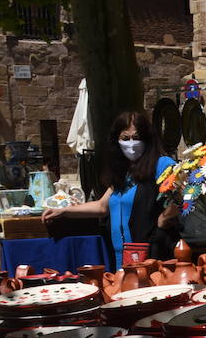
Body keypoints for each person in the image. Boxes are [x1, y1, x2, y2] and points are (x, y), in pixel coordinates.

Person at [44, 111, 182, 261]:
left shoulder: (162, 164)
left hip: (152, 255)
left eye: (136, 138)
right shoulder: (124, 173)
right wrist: (63, 211)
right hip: (121, 257)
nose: (131, 143)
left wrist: (163, 220)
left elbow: (182, 195)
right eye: (125, 138)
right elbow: (102, 206)